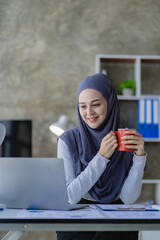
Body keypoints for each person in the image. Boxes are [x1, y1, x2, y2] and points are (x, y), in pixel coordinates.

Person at [56, 73, 146, 240]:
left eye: (96, 104)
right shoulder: (67, 141)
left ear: (110, 103)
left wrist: (139, 158)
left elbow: (127, 199)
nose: (89, 113)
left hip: (116, 220)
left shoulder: (125, 138)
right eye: (82, 106)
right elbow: (70, 197)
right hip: (78, 219)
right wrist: (102, 157)